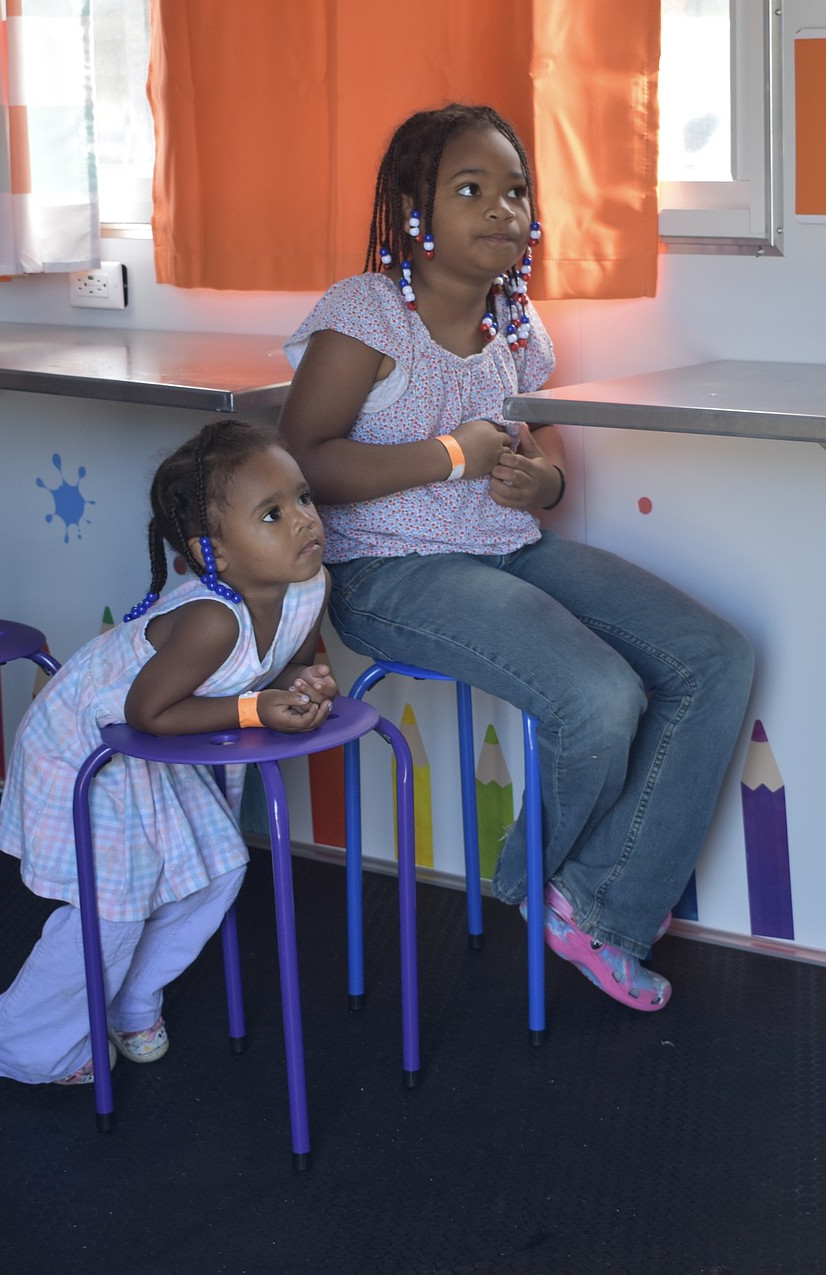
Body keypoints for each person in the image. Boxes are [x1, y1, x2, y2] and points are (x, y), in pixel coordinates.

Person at [279, 103, 754, 1013]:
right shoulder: (369, 311)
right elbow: (301, 462)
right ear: (414, 209)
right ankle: (556, 895)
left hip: (510, 552)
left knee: (716, 658)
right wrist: (453, 455)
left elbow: (543, 452)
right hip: (393, 572)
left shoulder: (517, 329)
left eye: (516, 192)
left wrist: (547, 486)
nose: (503, 210)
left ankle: (593, 897)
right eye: (471, 190)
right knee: (600, 696)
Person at [0, 420, 337, 1084]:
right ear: (214, 554)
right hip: (88, 749)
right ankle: (19, 1044)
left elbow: (274, 670)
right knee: (113, 910)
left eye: (305, 498)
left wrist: (304, 685)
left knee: (219, 870)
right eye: (273, 513)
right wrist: (261, 708)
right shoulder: (211, 618)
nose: (304, 521)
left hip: (155, 750)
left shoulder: (309, 586)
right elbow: (147, 709)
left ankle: (128, 999)